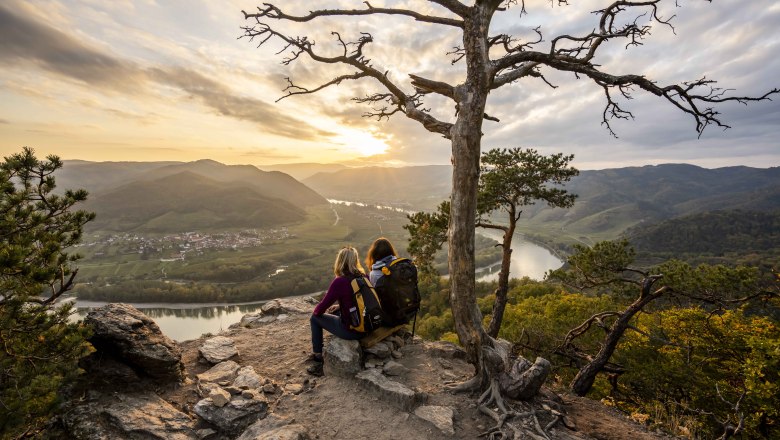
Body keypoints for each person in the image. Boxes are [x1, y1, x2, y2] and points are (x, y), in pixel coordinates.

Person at [307, 246, 366, 375]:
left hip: (352, 331)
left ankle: (317, 355)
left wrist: (318, 309)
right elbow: (360, 302)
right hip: (368, 326)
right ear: (355, 260)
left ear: (340, 261)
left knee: (314, 318)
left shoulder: (340, 281)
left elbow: (319, 310)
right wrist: (340, 306)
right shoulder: (364, 277)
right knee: (334, 312)